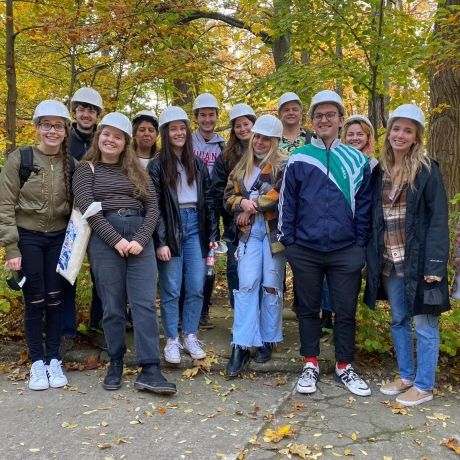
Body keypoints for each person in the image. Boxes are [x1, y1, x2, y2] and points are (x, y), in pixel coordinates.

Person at [72, 112, 176, 394]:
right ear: (99, 136)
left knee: (143, 304)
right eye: (106, 134)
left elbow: (153, 207)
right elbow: (86, 208)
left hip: (139, 235)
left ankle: (150, 368)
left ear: (125, 142)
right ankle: (115, 361)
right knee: (113, 306)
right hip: (105, 237)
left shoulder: (136, 171)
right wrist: (116, 239)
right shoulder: (85, 169)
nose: (110, 139)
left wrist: (142, 239)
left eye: (117, 136)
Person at [278, 90, 372, 397]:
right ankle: (310, 363)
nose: (324, 120)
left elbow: (366, 206)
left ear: (340, 121)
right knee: (308, 309)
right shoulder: (299, 157)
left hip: (346, 250)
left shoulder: (357, 160)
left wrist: (359, 245)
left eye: (330, 115)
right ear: (313, 121)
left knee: (345, 310)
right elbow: (286, 203)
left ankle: (345, 365)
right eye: (319, 115)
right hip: (305, 249)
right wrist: (289, 242)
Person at [364, 104, 449, 406]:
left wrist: (436, 265)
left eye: (407, 131)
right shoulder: (379, 171)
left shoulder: (427, 170)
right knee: (399, 319)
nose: (400, 135)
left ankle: (424, 385)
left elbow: (439, 219)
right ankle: (406, 376)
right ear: (388, 134)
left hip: (420, 262)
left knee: (425, 323)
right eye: (396, 129)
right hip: (390, 261)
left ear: (416, 137)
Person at [0, 100, 73, 390]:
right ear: (37, 128)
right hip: (27, 236)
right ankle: (36, 362)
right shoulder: (21, 159)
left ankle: (54, 359)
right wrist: (11, 249)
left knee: (56, 297)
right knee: (36, 299)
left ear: (66, 131)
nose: (52, 131)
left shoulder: (71, 164)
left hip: (59, 238)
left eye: (58, 126)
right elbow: (5, 205)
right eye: (47, 125)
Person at [149, 106, 218, 364]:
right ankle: (171, 340)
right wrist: (161, 240)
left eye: (182, 128)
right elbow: (154, 205)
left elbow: (209, 200)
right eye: (173, 129)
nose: (178, 133)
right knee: (171, 287)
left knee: (197, 286)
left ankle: (190, 334)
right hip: (172, 226)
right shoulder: (157, 166)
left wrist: (212, 233)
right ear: (165, 133)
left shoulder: (197, 164)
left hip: (195, 228)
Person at [224, 115, 286, 377]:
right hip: (248, 234)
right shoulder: (241, 167)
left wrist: (251, 206)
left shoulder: (283, 165)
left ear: (274, 141)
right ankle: (242, 344)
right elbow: (227, 196)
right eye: (257, 137)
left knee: (271, 286)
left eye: (266, 138)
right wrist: (241, 205)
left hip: (274, 234)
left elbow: (279, 194)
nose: (260, 142)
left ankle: (268, 339)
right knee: (247, 285)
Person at [61, 87, 105, 355]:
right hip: (71, 216)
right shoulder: (64, 139)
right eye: (82, 108)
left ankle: (97, 326)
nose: (86, 113)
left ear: (98, 114)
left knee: (102, 273)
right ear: (74, 111)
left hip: (100, 216)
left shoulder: (106, 138)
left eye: (92, 109)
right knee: (67, 273)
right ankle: (66, 329)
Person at [212, 103, 256, 308]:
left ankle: (261, 319)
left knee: (261, 271)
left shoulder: (266, 152)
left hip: (264, 222)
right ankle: (240, 315)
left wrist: (252, 210)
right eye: (238, 126)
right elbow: (219, 190)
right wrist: (237, 211)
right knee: (235, 267)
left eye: (246, 124)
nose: (243, 129)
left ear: (253, 125)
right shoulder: (226, 156)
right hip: (234, 226)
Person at [191, 93, 226, 329]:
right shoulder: (188, 141)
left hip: (213, 209)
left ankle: (204, 310)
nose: (207, 119)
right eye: (202, 115)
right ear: (196, 118)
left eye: (211, 114)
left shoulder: (224, 145)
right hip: (191, 205)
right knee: (189, 259)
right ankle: (188, 308)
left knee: (209, 260)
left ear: (216, 116)